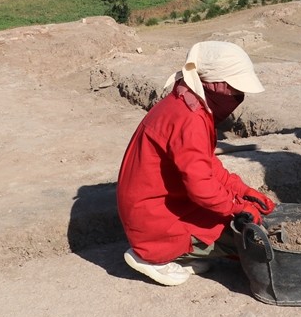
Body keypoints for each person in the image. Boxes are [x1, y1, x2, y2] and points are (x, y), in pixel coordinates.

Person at [116, 41, 275, 286]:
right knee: (240, 236)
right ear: (214, 83)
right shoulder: (190, 118)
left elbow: (206, 166)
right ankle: (151, 256)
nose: (238, 97)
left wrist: (242, 191)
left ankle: (177, 253)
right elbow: (202, 188)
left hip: (159, 206)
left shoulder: (186, 103)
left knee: (237, 222)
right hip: (153, 219)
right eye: (234, 89)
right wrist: (237, 208)